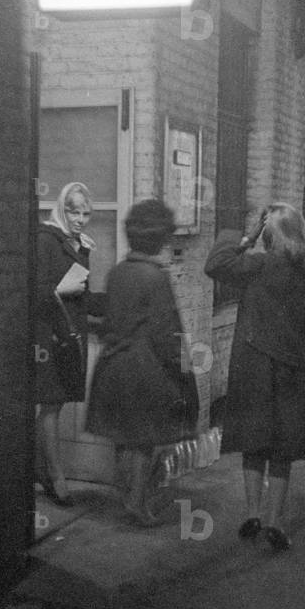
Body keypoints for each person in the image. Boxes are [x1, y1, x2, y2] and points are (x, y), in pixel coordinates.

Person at [204, 203, 305, 551]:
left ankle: (253, 513)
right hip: (291, 371)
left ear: (270, 236)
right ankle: (274, 520)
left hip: (254, 366)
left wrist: (246, 237)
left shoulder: (258, 266)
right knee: (282, 448)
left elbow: (214, 264)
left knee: (254, 443)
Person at [86, 200, 199, 526]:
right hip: (144, 369)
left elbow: (110, 318)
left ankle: (126, 496)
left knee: (124, 437)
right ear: (160, 237)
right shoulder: (155, 277)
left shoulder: (118, 272)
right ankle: (137, 503)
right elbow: (168, 333)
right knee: (145, 441)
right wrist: (183, 370)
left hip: (112, 366)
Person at [35, 182, 104, 506]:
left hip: (67, 332)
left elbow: (84, 293)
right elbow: (35, 288)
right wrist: (59, 290)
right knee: (50, 403)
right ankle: (55, 474)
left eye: (85, 213)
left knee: (56, 403)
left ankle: (43, 471)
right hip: (48, 332)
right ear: (62, 210)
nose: (79, 219)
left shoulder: (77, 242)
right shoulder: (47, 238)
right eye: (73, 211)